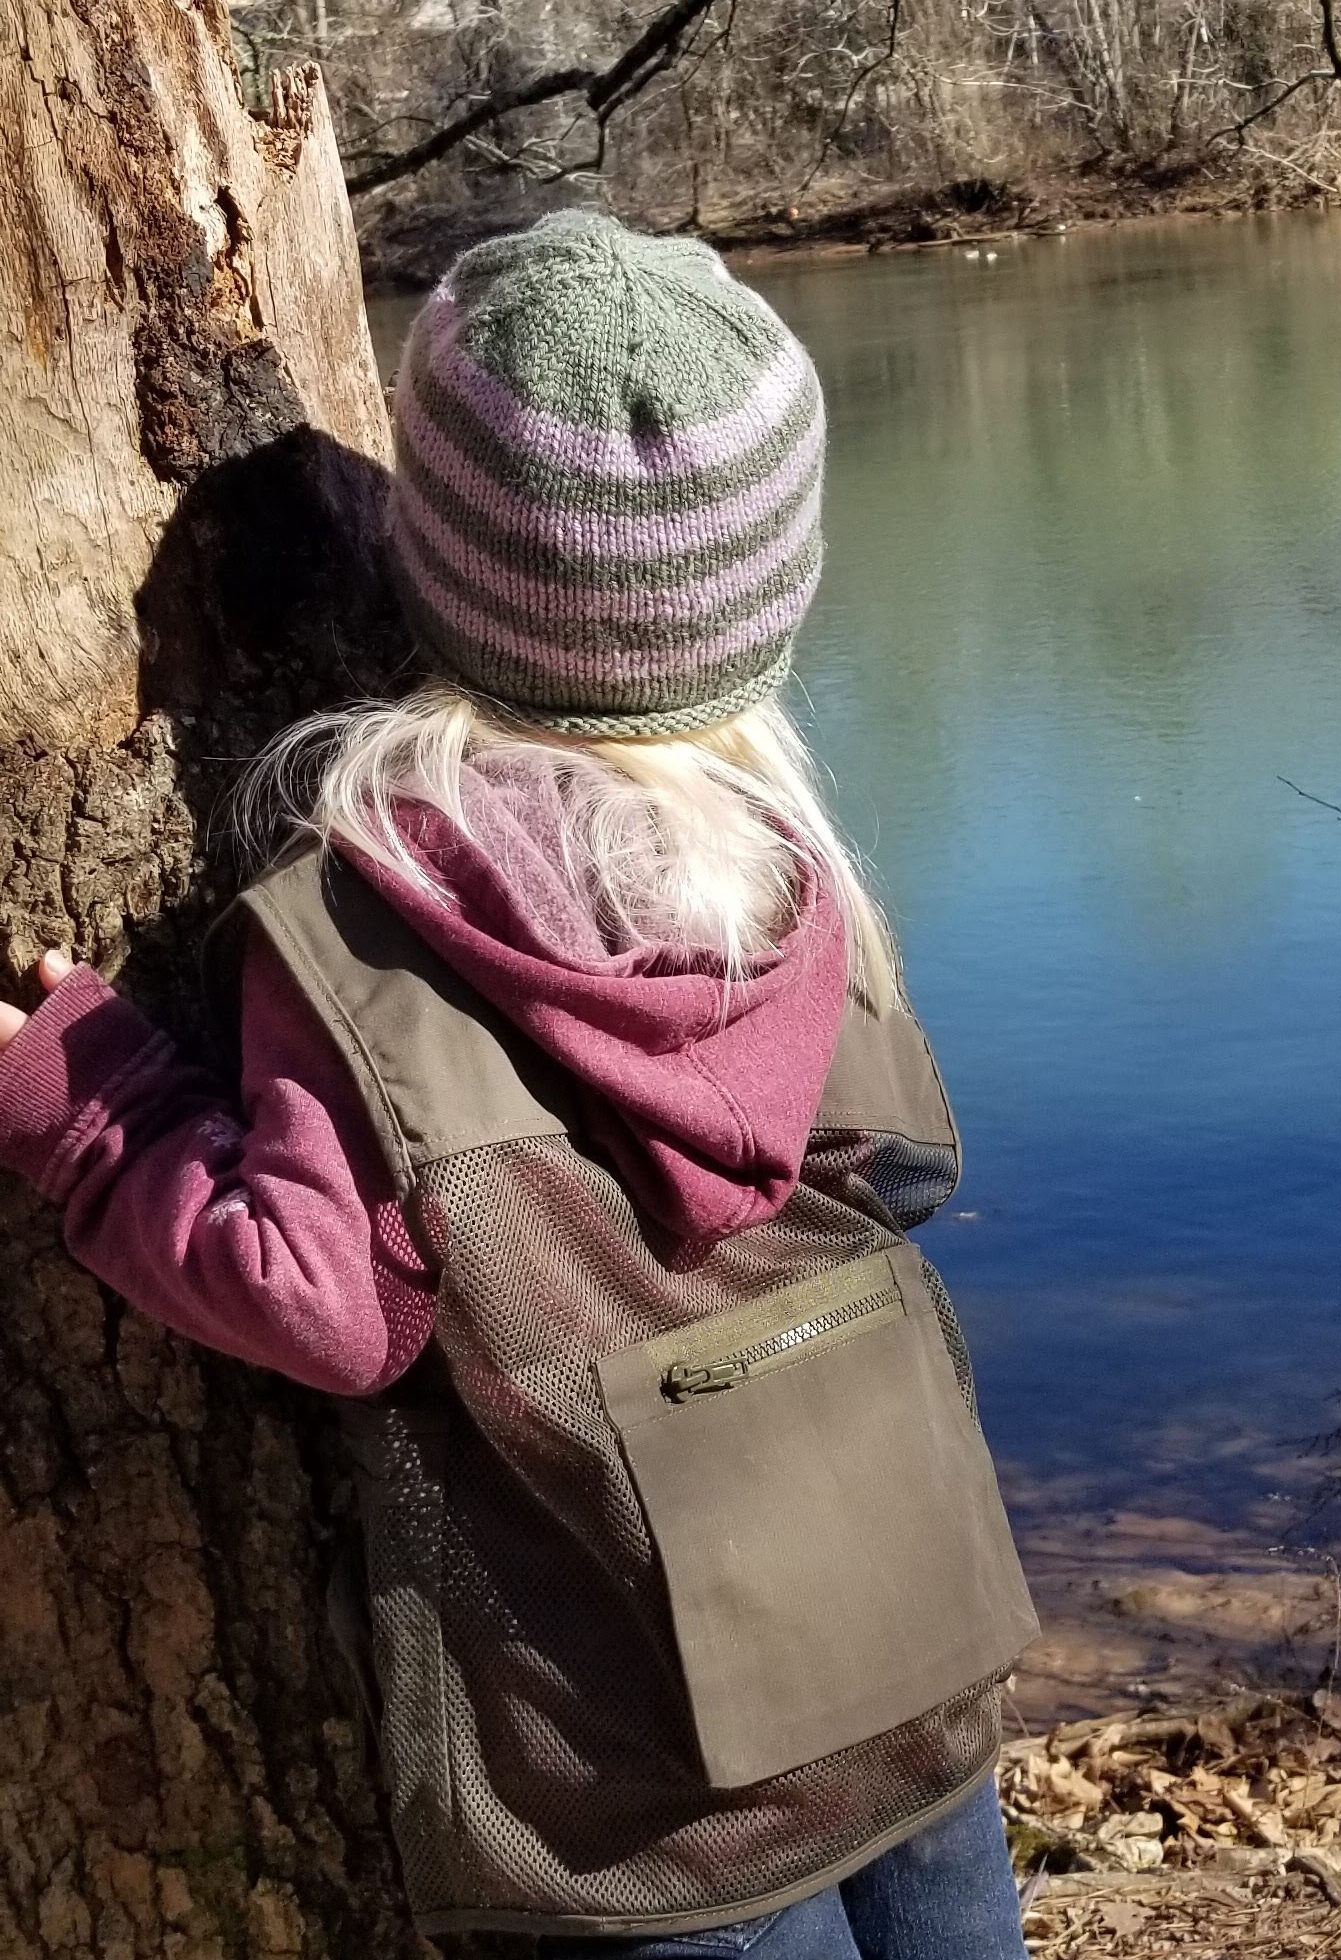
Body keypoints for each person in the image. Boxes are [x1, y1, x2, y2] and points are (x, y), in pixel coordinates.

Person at [0, 213, 1039, 1960]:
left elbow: (326, 1308)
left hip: (651, 1803)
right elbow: (904, 1175)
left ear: (434, 560)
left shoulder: (364, 934)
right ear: (763, 595)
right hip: (906, 1651)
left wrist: (93, 1098)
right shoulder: (798, 879)